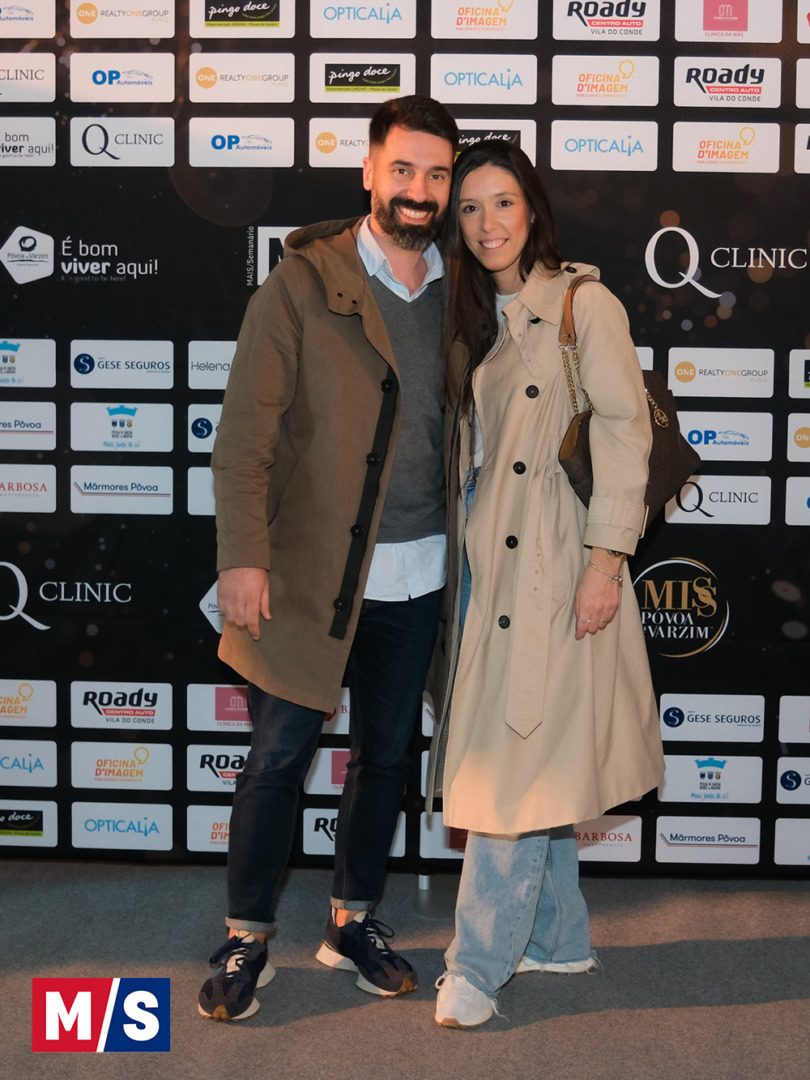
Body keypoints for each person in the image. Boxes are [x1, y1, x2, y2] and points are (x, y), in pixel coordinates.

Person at [199, 95, 459, 1022]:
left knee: (384, 759)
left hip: (422, 571)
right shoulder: (301, 284)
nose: (419, 189)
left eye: (437, 174)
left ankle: (352, 921)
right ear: (369, 172)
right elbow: (245, 435)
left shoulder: (464, 292)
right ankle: (247, 936)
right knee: (276, 759)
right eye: (403, 169)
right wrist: (243, 556)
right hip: (307, 575)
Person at [428, 141, 666, 1028]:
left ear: (532, 210)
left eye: (503, 202)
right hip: (488, 570)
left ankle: (477, 965)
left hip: (558, 564)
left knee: (512, 765)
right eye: (470, 208)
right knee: (537, 755)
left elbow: (626, 435)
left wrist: (606, 562)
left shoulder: (581, 303)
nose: (487, 223)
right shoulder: (470, 315)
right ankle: (558, 938)